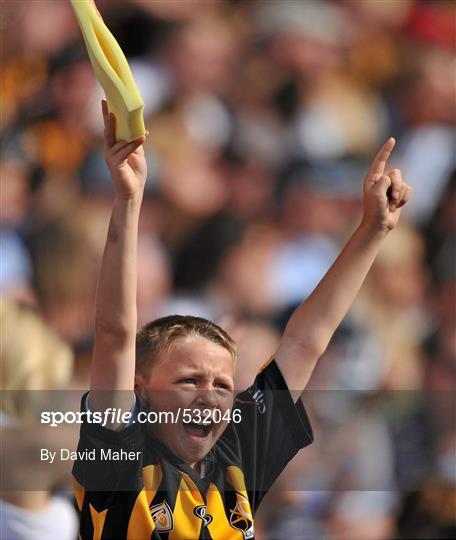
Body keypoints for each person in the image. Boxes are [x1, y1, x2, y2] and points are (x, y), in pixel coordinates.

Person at [72, 100, 412, 539]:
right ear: (140, 391)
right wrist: (129, 199)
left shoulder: (237, 453)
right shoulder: (119, 450)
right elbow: (115, 333)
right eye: (188, 381)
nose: (209, 398)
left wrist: (371, 231)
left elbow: (305, 341)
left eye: (222, 385)